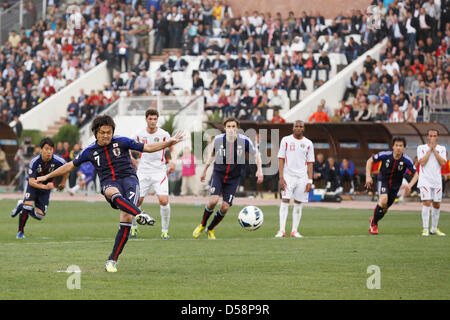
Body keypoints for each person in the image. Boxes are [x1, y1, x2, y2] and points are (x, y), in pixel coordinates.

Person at [36, 115, 184, 272]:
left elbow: (147, 148)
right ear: (95, 133)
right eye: (102, 132)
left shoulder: (122, 141)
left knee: (126, 218)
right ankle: (139, 214)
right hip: (109, 182)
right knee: (111, 192)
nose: (106, 135)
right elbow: (69, 166)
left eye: (109, 132)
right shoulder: (89, 151)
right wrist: (46, 176)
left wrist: (169, 142)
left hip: (130, 181)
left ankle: (112, 260)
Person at [192, 117, 263, 239]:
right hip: (218, 174)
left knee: (225, 207)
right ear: (224, 128)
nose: (231, 129)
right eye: (228, 127)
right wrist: (204, 170)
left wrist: (260, 170)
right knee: (213, 201)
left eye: (233, 127)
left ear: (237, 128)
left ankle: (211, 229)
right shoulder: (218, 139)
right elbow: (212, 154)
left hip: (234, 178)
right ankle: (202, 225)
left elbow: (256, 155)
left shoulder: (245, 141)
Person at [10, 138, 69, 239]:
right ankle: (20, 232)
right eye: (46, 149)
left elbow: (68, 168)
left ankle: (21, 205)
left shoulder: (58, 160)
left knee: (39, 215)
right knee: (28, 206)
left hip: (45, 189)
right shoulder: (34, 161)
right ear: (41, 150)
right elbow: (31, 181)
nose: (49, 151)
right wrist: (45, 186)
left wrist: (63, 183)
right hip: (33, 185)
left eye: (51, 149)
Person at [132, 109, 173, 240]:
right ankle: (133, 227)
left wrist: (171, 162)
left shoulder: (164, 134)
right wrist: (131, 159)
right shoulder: (139, 134)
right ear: (146, 119)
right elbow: (127, 146)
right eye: (150, 119)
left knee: (164, 200)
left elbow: (170, 148)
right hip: (143, 171)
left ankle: (165, 231)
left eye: (155, 119)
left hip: (159, 171)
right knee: (136, 201)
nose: (153, 121)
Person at [365, 137, 419, 235]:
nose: (398, 148)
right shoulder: (385, 155)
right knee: (383, 200)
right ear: (393, 147)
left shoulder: (406, 160)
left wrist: (410, 185)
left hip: (395, 186)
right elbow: (370, 161)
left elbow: (416, 174)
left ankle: (374, 218)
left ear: (404, 148)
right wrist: (368, 176)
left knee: (385, 209)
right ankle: (374, 224)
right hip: (383, 181)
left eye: (400, 146)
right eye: (396, 145)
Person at [276, 120, 314, 238]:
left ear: (304, 128)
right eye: (296, 126)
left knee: (298, 202)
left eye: (300, 126)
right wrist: (281, 177)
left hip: (302, 177)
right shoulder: (286, 140)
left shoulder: (308, 143)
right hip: (288, 176)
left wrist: (309, 180)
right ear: (292, 128)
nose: (298, 128)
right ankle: (282, 230)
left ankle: (294, 231)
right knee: (285, 200)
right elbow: (281, 158)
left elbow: (310, 162)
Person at [417, 129, 447, 236]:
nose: (433, 137)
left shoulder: (442, 149)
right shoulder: (421, 148)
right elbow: (422, 162)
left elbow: (443, 162)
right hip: (425, 179)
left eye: (435, 135)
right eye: (431, 135)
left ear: (437, 137)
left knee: (437, 204)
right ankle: (425, 228)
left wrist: (435, 150)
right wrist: (430, 149)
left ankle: (434, 228)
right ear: (428, 137)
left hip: (437, 180)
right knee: (427, 202)